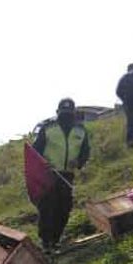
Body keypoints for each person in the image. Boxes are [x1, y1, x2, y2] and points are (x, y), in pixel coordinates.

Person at [31, 98, 90, 252]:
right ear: (57, 112)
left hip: (67, 175)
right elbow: (35, 150)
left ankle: (56, 240)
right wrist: (43, 163)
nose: (66, 116)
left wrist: (78, 163)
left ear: (74, 113)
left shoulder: (80, 130)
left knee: (64, 207)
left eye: (69, 113)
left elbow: (85, 151)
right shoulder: (48, 128)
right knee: (47, 207)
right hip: (48, 174)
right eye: (63, 113)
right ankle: (45, 242)